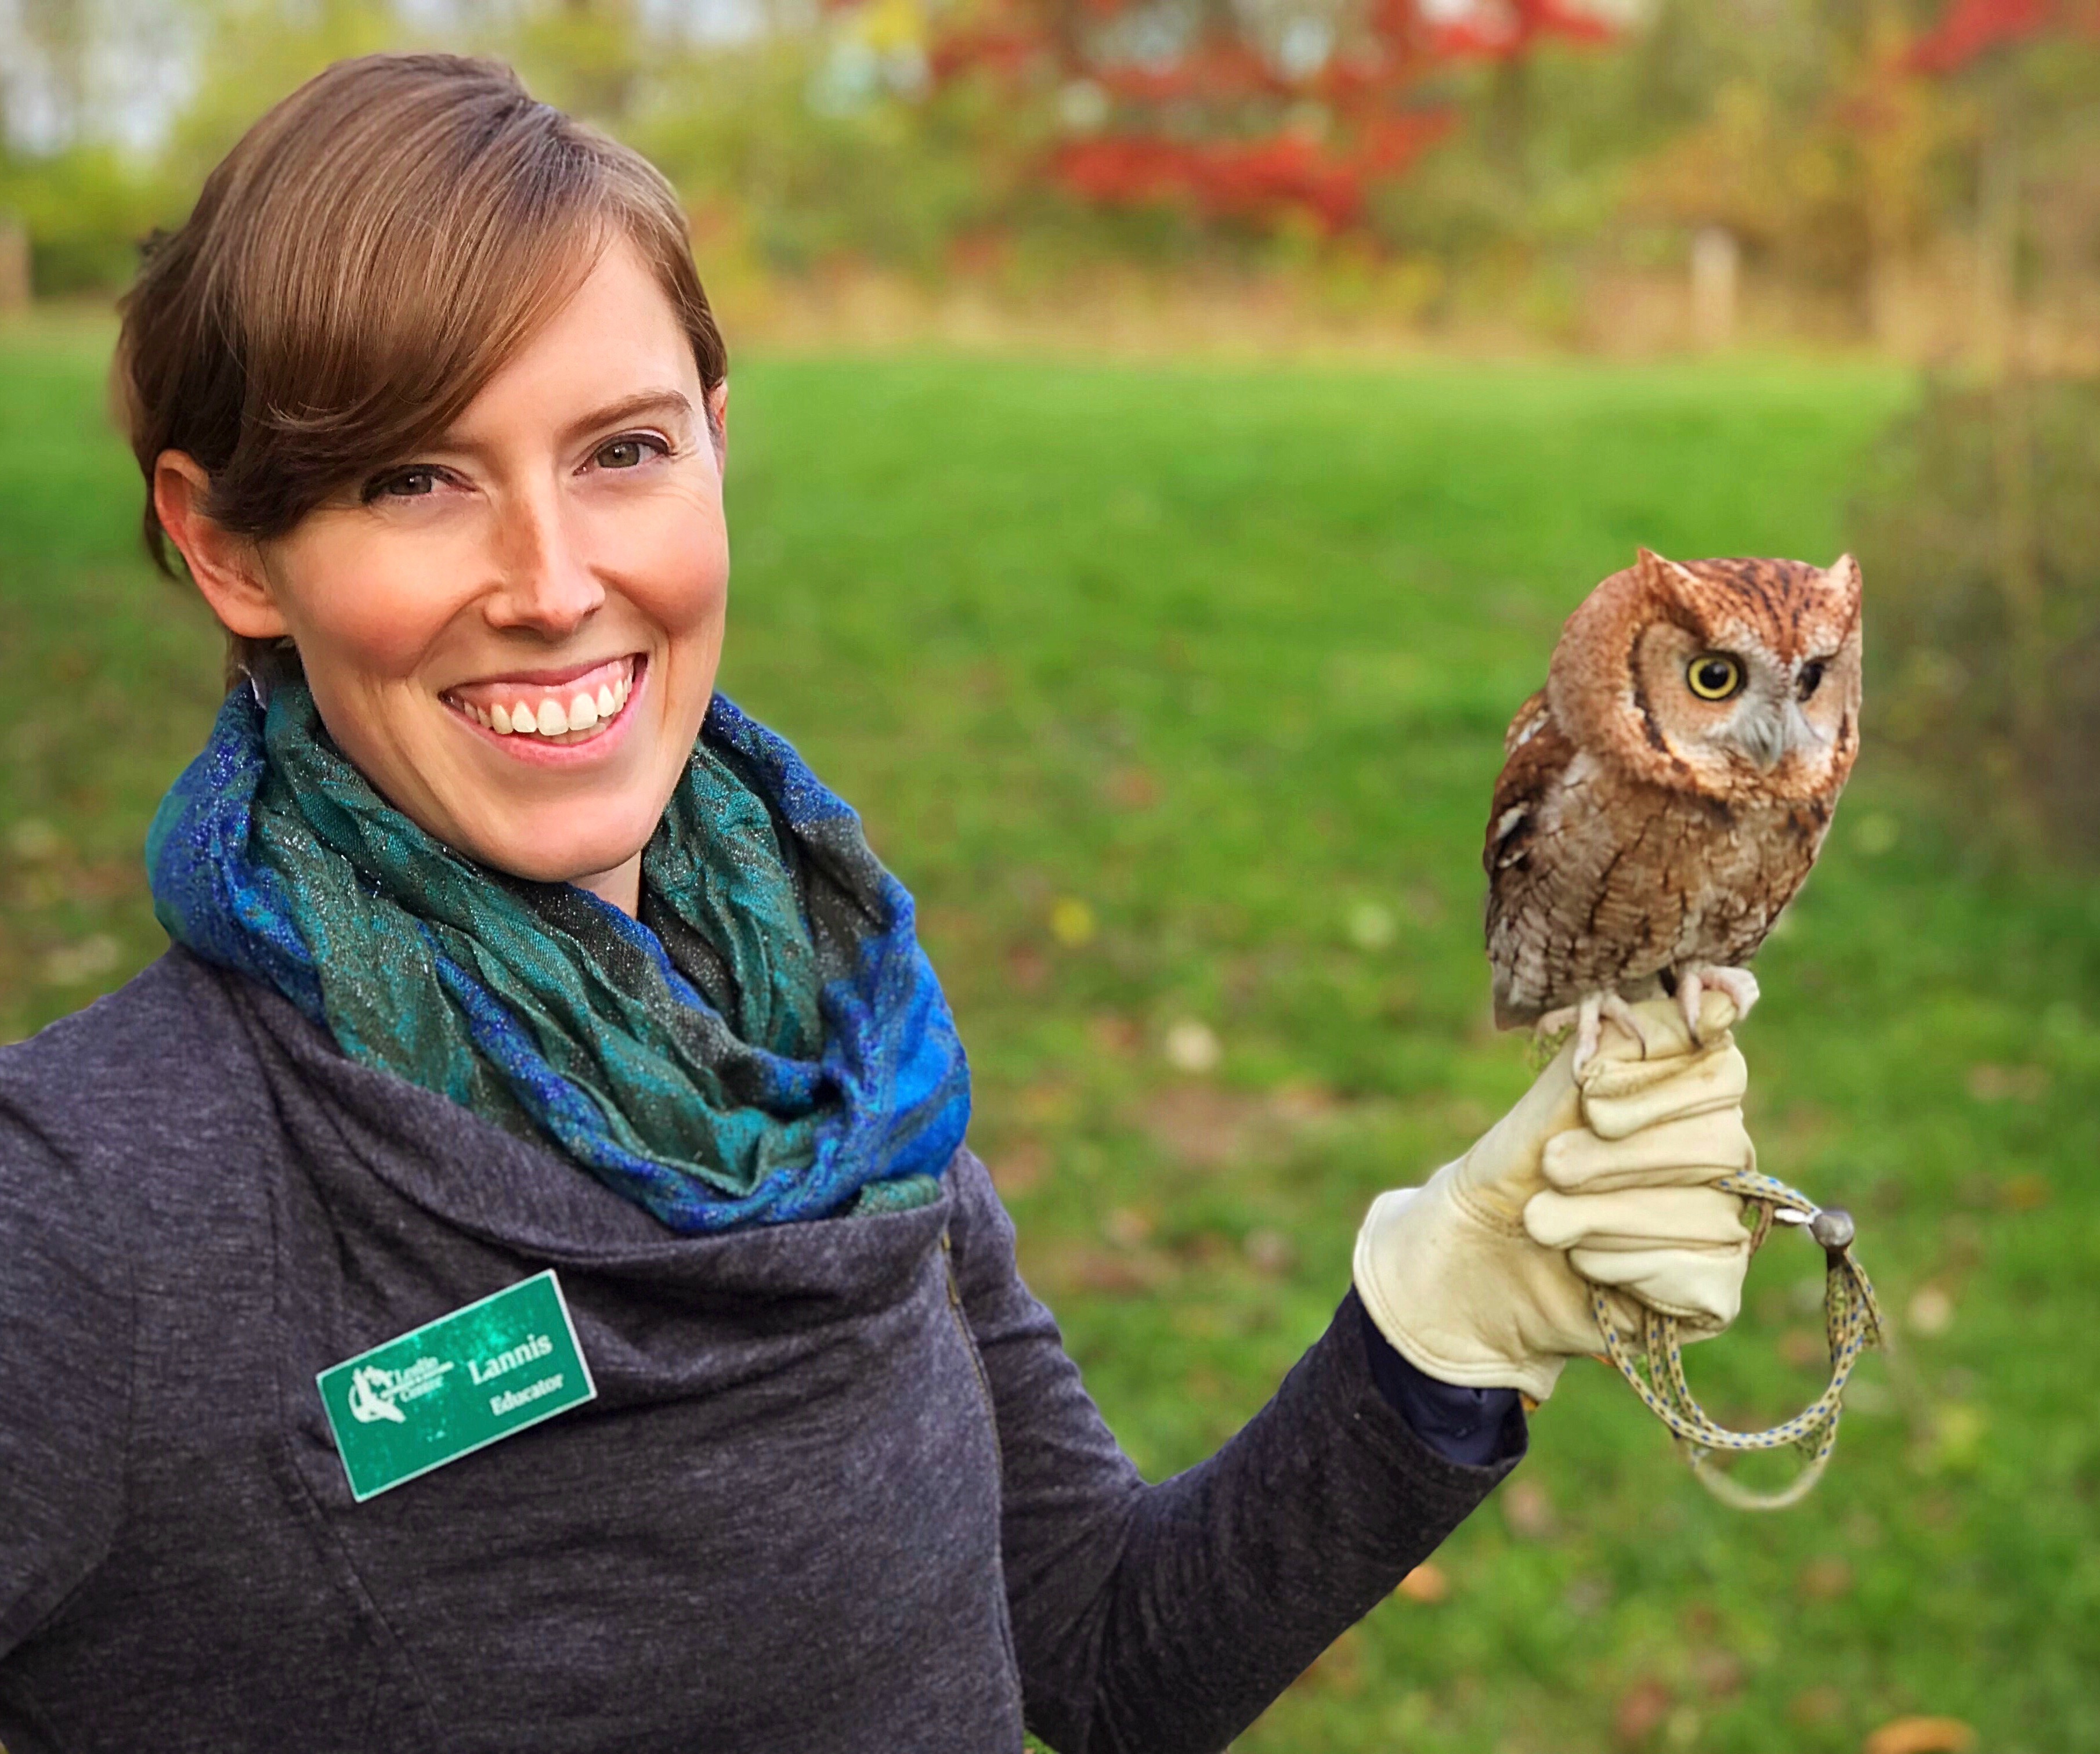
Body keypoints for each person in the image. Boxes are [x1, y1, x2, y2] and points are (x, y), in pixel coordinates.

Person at [0, 53, 1759, 1754]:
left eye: (620, 451)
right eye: (413, 479)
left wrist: (1443, 1326)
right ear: (229, 548)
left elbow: (1096, 1647)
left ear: (713, 445)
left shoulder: (822, 1048)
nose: (552, 583)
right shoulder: (95, 1211)